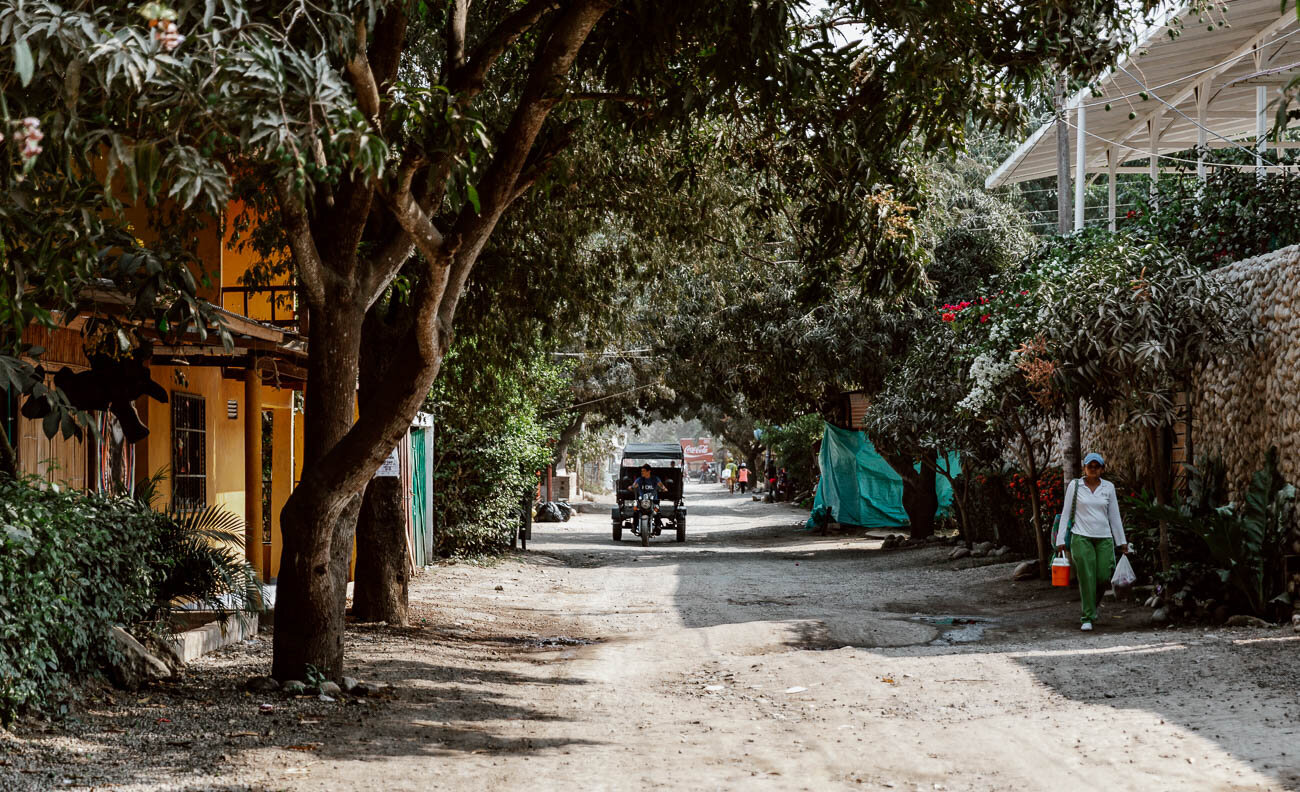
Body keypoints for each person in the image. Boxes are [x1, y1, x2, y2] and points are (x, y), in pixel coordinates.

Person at [1055, 452, 1128, 632]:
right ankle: (1087, 616)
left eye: (1097, 466)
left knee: (1104, 575)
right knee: (1087, 577)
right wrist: (1060, 539)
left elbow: (1114, 516)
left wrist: (1122, 541)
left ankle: (1091, 606)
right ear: (1084, 468)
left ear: (1102, 469)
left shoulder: (1108, 487)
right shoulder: (1075, 485)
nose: (1093, 469)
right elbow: (1065, 513)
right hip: (1081, 536)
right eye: (1090, 466)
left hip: (1104, 537)